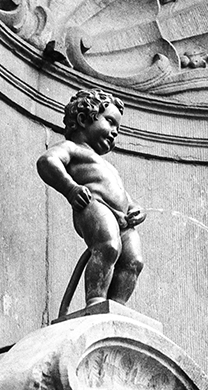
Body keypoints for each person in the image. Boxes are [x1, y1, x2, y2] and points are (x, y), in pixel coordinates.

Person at [37, 89, 145, 305]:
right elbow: (47, 161)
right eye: (110, 122)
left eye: (118, 129)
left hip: (122, 219)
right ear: (83, 119)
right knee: (108, 247)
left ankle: (117, 305)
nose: (115, 132)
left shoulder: (109, 166)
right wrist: (70, 189)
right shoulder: (72, 148)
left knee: (134, 260)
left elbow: (122, 194)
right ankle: (96, 300)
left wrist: (136, 208)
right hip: (93, 205)